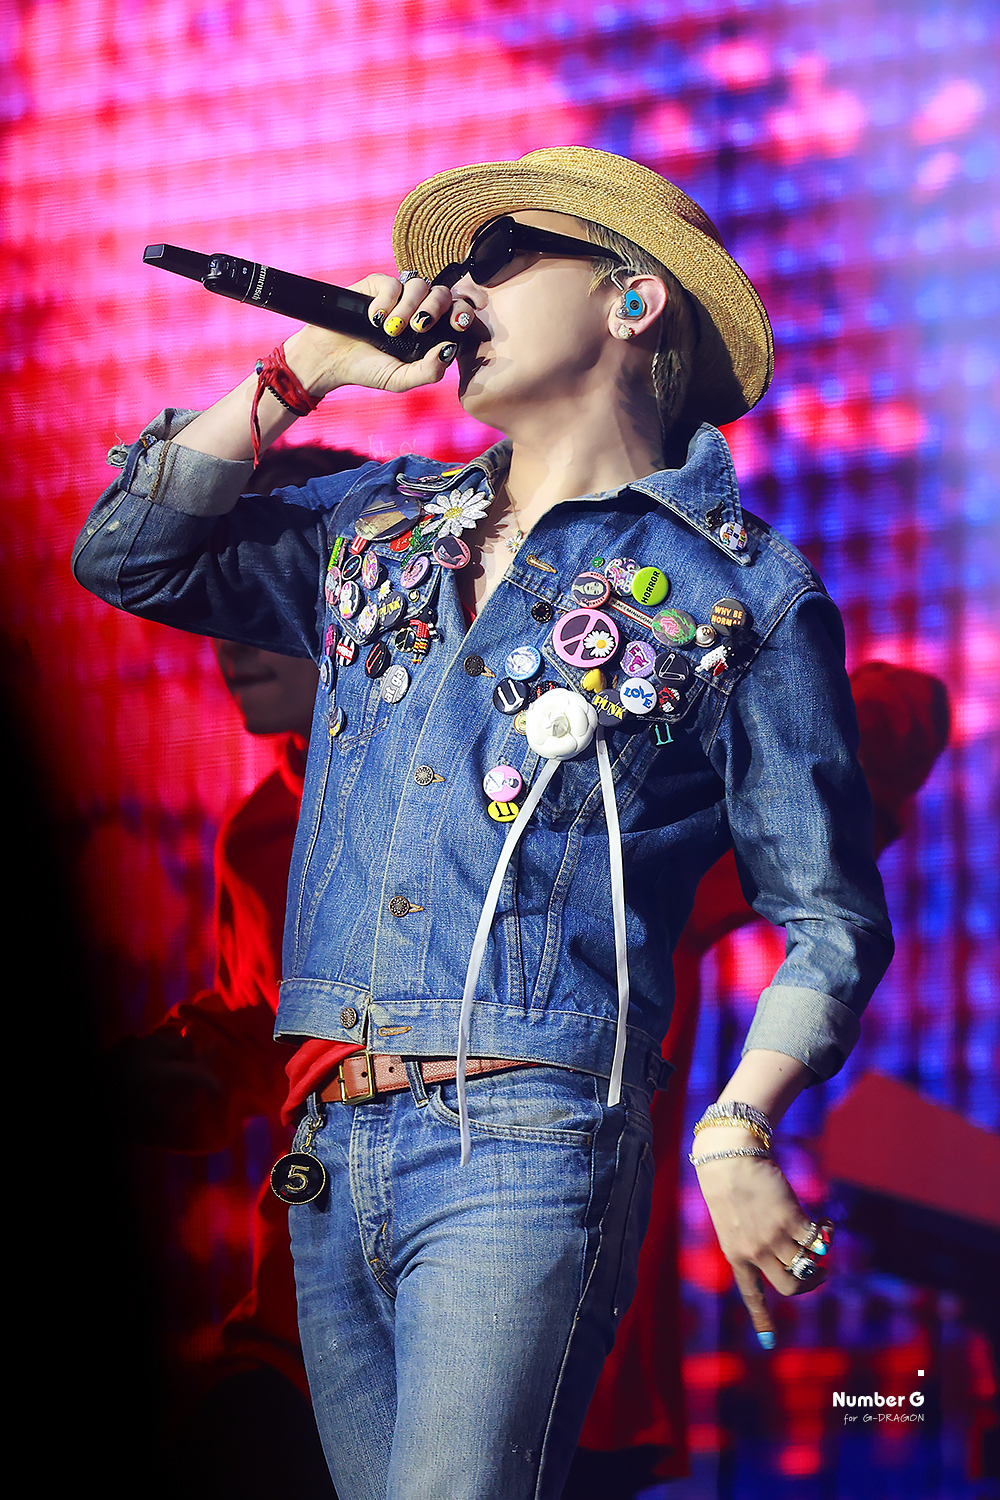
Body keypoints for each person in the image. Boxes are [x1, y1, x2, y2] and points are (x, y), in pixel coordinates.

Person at [73, 146, 894, 1500]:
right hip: (331, 1144)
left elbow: (827, 915)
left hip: (525, 1137)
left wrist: (739, 1127)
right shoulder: (378, 526)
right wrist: (302, 372)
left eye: (499, 257)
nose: (453, 290)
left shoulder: (736, 593)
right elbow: (127, 555)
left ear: (632, 300)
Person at [111, 445, 363, 1500]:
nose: (225, 639)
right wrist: (175, 1072)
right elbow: (264, 1034)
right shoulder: (261, 833)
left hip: (522, 1318)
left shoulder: (541, 791)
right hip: (303, 1318)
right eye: (215, 592)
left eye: (262, 581)